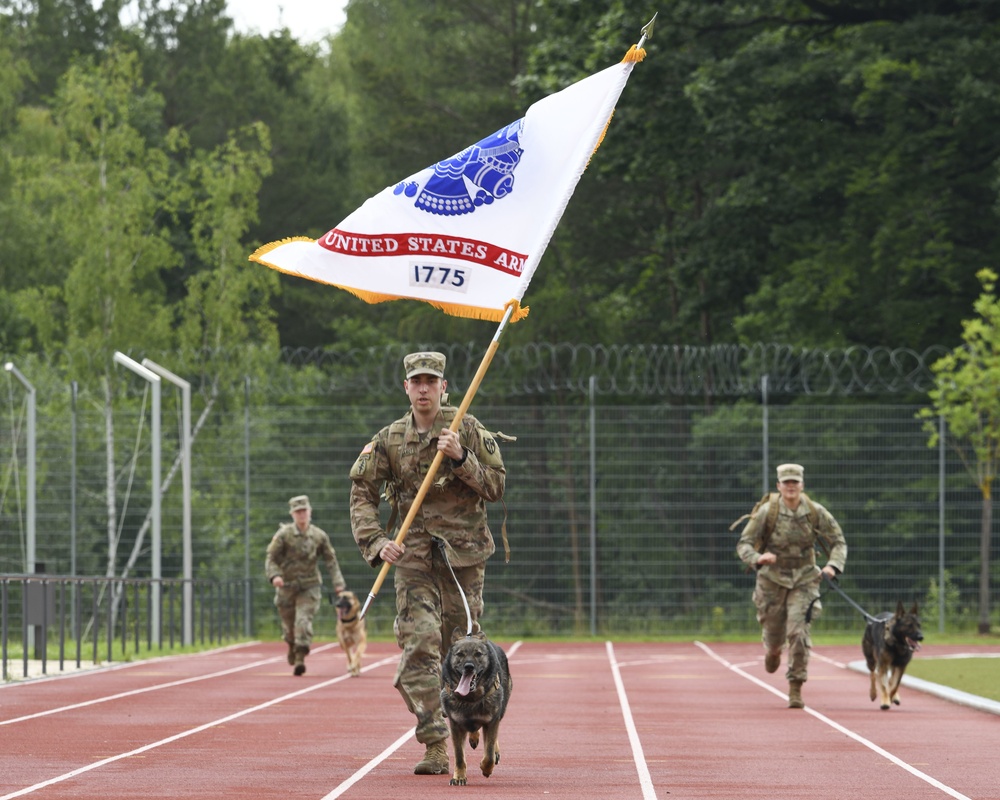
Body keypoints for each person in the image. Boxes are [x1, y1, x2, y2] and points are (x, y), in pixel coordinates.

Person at [349, 351, 506, 775]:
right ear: (406, 387)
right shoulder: (390, 439)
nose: (423, 388)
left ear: (443, 387)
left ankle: (481, 722)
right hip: (413, 557)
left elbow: (496, 486)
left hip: (463, 559)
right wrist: (377, 540)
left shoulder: (466, 429)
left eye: (430, 381)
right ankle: (437, 740)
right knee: (419, 647)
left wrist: (460, 459)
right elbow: (362, 490)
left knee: (467, 650)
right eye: (416, 381)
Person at [736, 463, 847, 708]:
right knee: (776, 640)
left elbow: (838, 541)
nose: (790, 487)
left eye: (795, 482)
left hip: (805, 579)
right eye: (786, 482)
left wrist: (832, 566)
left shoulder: (815, 512)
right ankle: (773, 651)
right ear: (779, 486)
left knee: (798, 633)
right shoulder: (768, 512)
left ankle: (795, 687)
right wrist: (757, 558)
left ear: (802, 485)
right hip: (772, 580)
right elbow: (744, 543)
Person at [265, 495, 347, 676]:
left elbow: (330, 561)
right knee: (289, 627)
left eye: (304, 511)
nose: (302, 515)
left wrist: (338, 583)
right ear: (292, 514)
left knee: (302, 621)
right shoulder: (283, 535)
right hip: (286, 586)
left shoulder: (319, 536)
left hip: (310, 586)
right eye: (298, 512)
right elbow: (271, 558)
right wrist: (275, 576)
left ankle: (300, 657)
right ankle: (292, 645)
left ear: (310, 512)